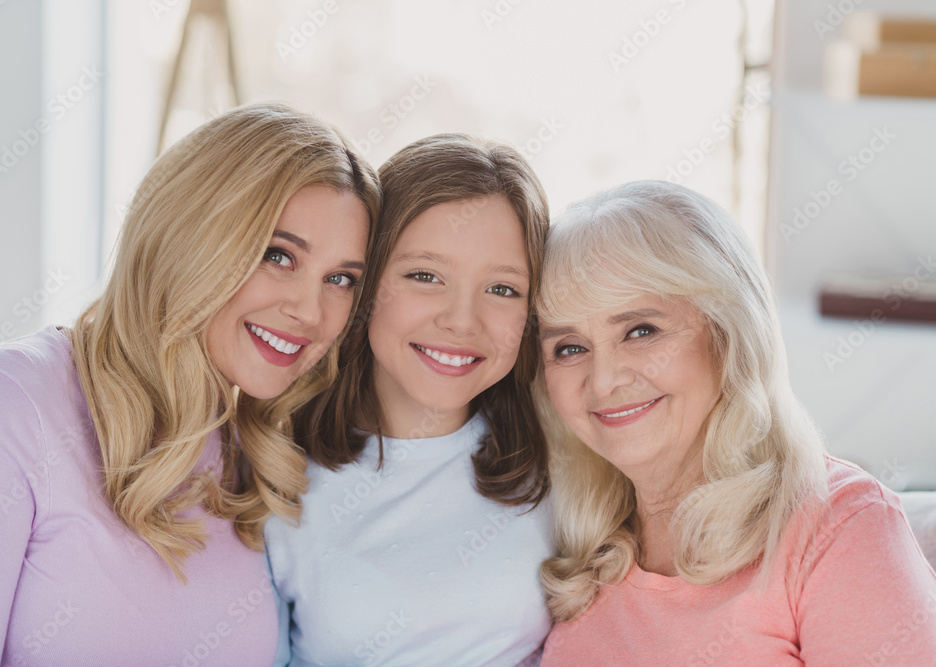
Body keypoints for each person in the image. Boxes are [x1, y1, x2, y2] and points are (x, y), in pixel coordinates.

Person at [0, 102, 380, 665]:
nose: (311, 312)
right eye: (278, 255)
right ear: (194, 236)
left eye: (340, 279)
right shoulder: (4, 401)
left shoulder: (257, 452)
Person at [536, 180, 936, 664]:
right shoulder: (574, 551)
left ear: (729, 335)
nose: (602, 381)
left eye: (641, 330)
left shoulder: (841, 525)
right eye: (569, 347)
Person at [265, 134, 553, 666]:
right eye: (425, 276)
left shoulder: (564, 463)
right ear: (367, 283)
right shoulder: (274, 472)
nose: (461, 321)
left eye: (503, 289)